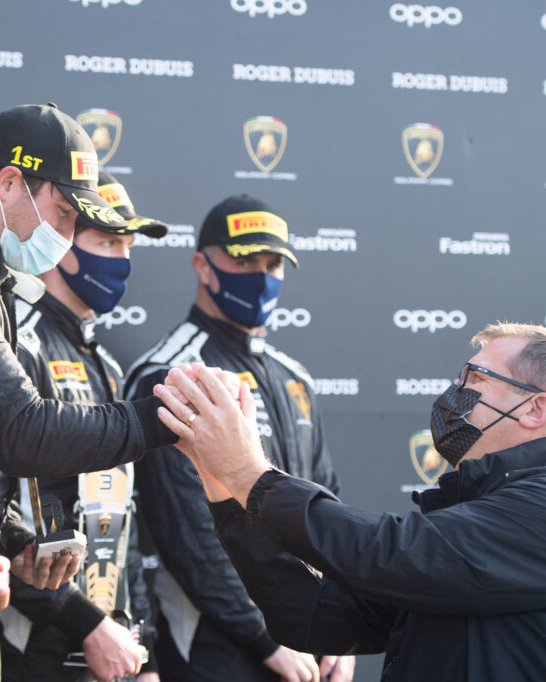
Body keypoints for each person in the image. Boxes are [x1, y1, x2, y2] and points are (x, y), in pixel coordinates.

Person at [156, 323, 546, 681]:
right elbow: (314, 616)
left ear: (536, 409)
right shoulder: (481, 511)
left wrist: (248, 472)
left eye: (476, 380)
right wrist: (222, 485)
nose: (454, 391)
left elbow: (389, 553)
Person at [0, 106, 176, 681]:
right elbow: (20, 432)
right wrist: (165, 417)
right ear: (7, 183)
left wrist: (13, 542)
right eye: (65, 214)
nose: (66, 237)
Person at [124, 195, 354, 682]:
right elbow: (186, 532)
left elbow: (327, 507)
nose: (262, 276)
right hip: (215, 641)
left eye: (273, 264)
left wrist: (343, 623)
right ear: (201, 266)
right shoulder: (172, 375)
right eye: (245, 261)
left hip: (306, 635)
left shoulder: (295, 378)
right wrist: (263, 637)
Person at [0, 171, 168, 682]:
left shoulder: (106, 366)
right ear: (62, 239)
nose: (123, 260)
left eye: (129, 246)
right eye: (108, 242)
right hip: (33, 649)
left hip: (109, 648)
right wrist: (86, 625)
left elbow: (121, 524)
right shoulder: (16, 343)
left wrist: (144, 653)